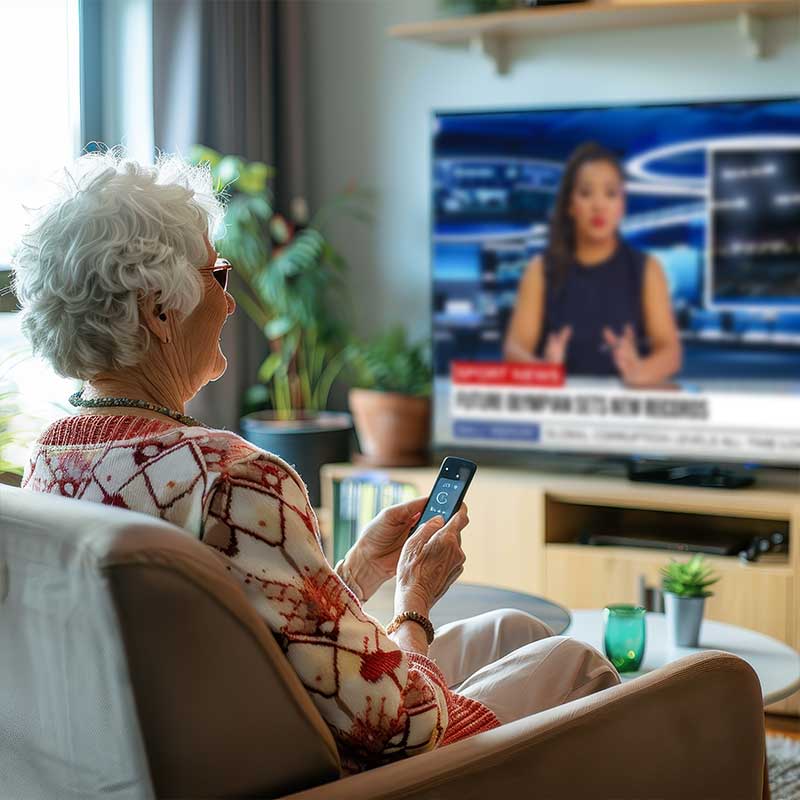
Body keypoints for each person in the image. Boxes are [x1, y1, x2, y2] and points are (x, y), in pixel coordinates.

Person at [12, 149, 619, 775]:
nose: (229, 304)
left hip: (216, 737)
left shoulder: (52, 463)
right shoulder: (231, 477)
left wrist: (357, 573)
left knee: (511, 632)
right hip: (331, 773)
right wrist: (413, 605)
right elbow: (397, 727)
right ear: (158, 309)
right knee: (573, 663)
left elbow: (235, 635)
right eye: (216, 275)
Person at [504, 141, 682, 386]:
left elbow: (670, 351)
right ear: (570, 205)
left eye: (610, 194)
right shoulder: (540, 270)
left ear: (622, 205)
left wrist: (641, 372)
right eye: (586, 193)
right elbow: (514, 349)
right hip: (560, 414)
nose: (598, 206)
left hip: (624, 414)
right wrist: (544, 373)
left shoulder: (647, 269)